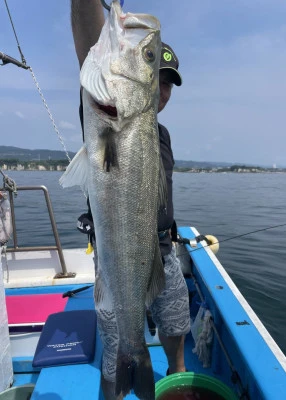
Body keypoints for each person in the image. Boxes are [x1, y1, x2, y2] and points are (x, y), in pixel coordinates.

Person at [71, 1, 190, 399]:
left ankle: (173, 379)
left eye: (168, 81)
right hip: (117, 256)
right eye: (157, 75)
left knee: (176, 328)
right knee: (116, 346)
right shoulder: (106, 111)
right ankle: (121, 378)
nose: (162, 89)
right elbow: (91, 40)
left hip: (164, 250)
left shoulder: (163, 135)